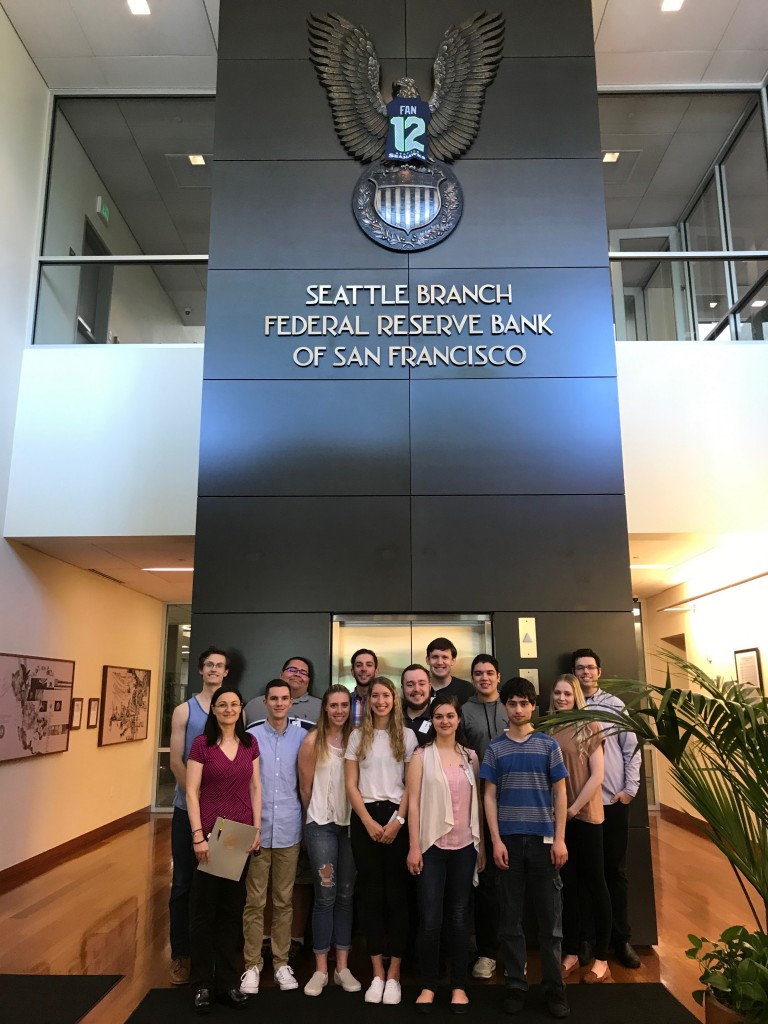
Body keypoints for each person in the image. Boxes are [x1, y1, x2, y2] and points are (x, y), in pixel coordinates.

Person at [481, 677, 570, 1019]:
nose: (518, 709)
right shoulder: (495, 748)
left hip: (545, 842)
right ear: (505, 706)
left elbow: (560, 793)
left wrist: (560, 838)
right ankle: (516, 984)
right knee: (510, 921)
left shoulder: (548, 746)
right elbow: (489, 795)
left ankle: (554, 989)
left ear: (533, 706)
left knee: (550, 924)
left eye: (524, 703)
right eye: (512, 703)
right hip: (510, 845)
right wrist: (496, 840)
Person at [185, 686, 261, 1013]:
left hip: (238, 834)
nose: (229, 709)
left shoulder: (249, 743)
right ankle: (201, 983)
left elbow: (256, 787)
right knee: (204, 911)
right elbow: (191, 791)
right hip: (211, 834)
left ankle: (228, 983)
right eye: (222, 705)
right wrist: (198, 836)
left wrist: (257, 828)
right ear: (214, 710)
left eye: (234, 704)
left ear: (240, 709)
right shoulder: (202, 745)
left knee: (231, 910)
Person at [406, 694, 484, 1013]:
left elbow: (478, 802)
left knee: (459, 917)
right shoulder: (420, 756)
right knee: (429, 919)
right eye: (439, 716)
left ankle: (458, 986)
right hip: (431, 848)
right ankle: (428, 984)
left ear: (458, 719)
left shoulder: (471, 756)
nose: (445, 721)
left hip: (465, 847)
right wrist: (413, 846)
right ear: (432, 721)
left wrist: (481, 848)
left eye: (450, 716)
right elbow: (412, 803)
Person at [345, 675, 418, 1005]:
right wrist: (368, 821)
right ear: (368, 700)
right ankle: (376, 972)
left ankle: (395, 974)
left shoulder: (407, 736)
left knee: (397, 897)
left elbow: (412, 787)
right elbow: (351, 784)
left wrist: (397, 821)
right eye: (374, 695)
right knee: (371, 896)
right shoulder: (357, 736)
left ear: (394, 699)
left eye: (386, 695)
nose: (380, 701)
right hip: (365, 820)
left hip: (397, 821)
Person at [572, 648, 641, 970]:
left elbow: (631, 748)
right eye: (580, 668)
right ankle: (586, 939)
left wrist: (630, 790)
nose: (585, 673)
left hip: (612, 800)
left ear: (599, 671)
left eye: (590, 668)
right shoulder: (570, 707)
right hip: (582, 806)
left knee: (614, 870)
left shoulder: (614, 706)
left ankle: (621, 939)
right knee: (584, 873)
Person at [168, 646, 230, 986]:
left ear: (226, 673)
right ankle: (181, 954)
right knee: (183, 884)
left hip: (225, 817)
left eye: (220, 666)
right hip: (186, 812)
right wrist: (196, 801)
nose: (214, 670)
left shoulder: (232, 708)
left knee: (220, 886)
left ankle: (216, 956)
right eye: (209, 665)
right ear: (201, 670)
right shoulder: (183, 711)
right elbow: (176, 761)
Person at [241, 679, 305, 995]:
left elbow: (306, 785)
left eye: (284, 698)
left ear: (291, 702)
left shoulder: (303, 737)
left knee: (283, 901)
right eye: (273, 699)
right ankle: (252, 965)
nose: (279, 703)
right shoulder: (250, 737)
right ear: (265, 702)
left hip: (289, 829)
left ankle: (281, 963)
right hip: (255, 831)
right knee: (254, 901)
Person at [297, 685, 361, 996]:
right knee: (325, 896)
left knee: (346, 895)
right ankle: (321, 969)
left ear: (351, 708)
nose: (339, 710)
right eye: (333, 705)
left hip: (350, 827)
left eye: (344, 705)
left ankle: (342, 967)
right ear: (325, 708)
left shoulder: (358, 740)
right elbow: (305, 789)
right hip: (320, 825)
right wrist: (311, 825)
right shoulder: (312, 742)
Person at [549, 674, 612, 984]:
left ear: (576, 696)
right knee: (568, 888)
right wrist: (560, 814)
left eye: (567, 693)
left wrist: (573, 809)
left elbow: (597, 775)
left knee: (596, 886)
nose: (562, 698)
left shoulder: (590, 726)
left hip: (585, 818)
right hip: (559, 823)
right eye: (557, 693)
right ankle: (571, 953)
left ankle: (602, 958)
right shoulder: (546, 728)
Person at [462, 653, 508, 980]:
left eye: (489, 673)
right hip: (478, 803)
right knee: (486, 882)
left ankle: (516, 950)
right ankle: (487, 952)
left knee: (516, 880)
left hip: (517, 803)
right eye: (478, 674)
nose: (484, 678)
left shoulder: (514, 708)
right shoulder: (464, 711)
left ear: (498, 676)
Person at [244, 656, 321, 729]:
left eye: (303, 672)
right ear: (281, 674)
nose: (297, 674)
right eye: (292, 670)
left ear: (308, 680)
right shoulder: (254, 706)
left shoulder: (321, 708)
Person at [426, 638, 473, 705]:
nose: (440, 662)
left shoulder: (466, 689)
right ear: (427, 660)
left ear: (453, 661)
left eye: (445, 657)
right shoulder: (419, 689)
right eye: (435, 657)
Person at [401, 663, 434, 746]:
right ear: (402, 688)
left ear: (430, 687)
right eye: (410, 685)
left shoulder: (439, 717)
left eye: (422, 684)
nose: (416, 689)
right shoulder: (392, 716)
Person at [350, 648, 378, 726]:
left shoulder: (384, 703)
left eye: (369, 665)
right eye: (359, 665)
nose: (364, 669)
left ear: (376, 671)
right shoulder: (344, 702)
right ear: (352, 671)